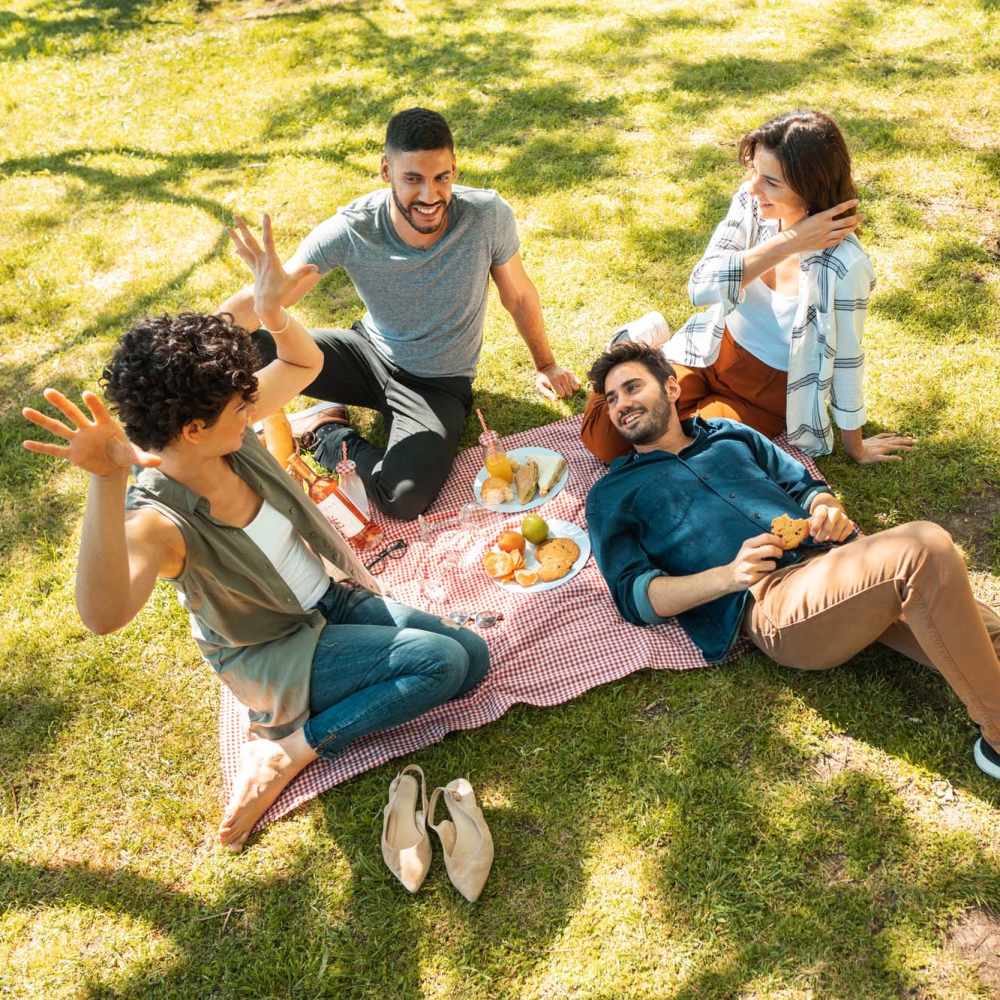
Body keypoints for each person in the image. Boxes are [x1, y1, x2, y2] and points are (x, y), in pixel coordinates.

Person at [21, 216, 490, 851]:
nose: (254, 412)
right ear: (191, 428)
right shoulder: (159, 520)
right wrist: (104, 480)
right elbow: (101, 615)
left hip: (329, 600)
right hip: (275, 649)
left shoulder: (222, 432)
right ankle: (290, 746)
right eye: (240, 407)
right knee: (437, 663)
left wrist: (270, 311)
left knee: (473, 659)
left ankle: (306, 718)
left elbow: (303, 358)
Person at [584, 342, 1000, 778]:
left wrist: (828, 510)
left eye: (632, 388)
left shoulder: (730, 433)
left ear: (671, 388)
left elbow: (805, 486)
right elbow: (636, 598)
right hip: (776, 602)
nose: (622, 405)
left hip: (840, 563)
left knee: (979, 629)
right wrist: (729, 577)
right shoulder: (612, 494)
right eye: (612, 399)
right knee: (924, 548)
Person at [222, 107, 580, 521]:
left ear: (454, 169)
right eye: (413, 179)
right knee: (239, 345)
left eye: (441, 178)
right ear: (386, 170)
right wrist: (187, 347)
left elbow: (517, 295)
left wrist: (547, 363)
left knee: (402, 498)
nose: (430, 196)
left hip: (437, 386)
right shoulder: (353, 227)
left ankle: (326, 431)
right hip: (366, 354)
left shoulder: (486, 216)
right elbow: (273, 295)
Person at [581, 110, 914, 466]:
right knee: (606, 439)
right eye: (754, 171)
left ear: (810, 187)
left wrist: (856, 445)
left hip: (763, 393)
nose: (754, 188)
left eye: (771, 181)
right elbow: (701, 286)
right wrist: (788, 241)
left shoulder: (845, 265)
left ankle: (641, 360)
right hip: (709, 348)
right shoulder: (753, 203)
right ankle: (628, 346)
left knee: (685, 455)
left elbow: (847, 359)